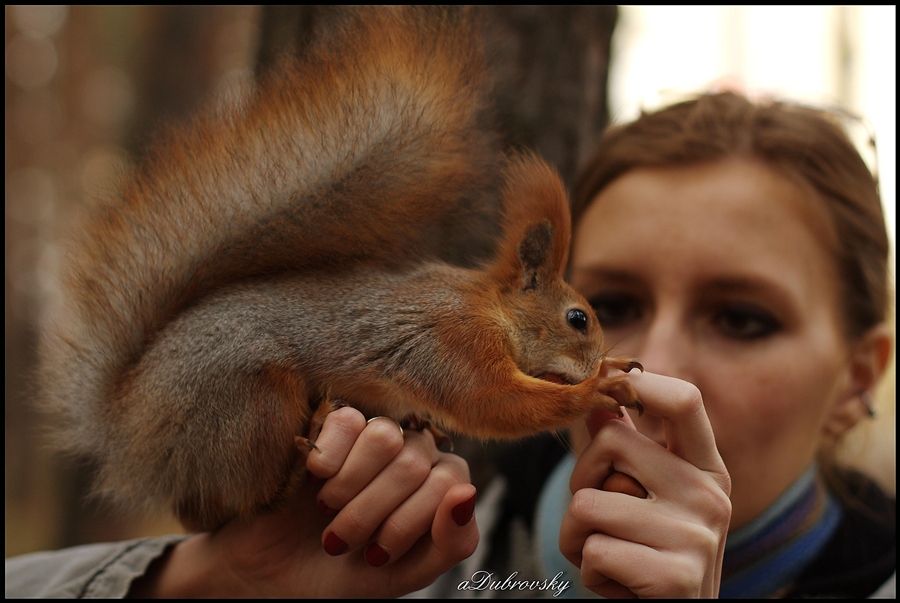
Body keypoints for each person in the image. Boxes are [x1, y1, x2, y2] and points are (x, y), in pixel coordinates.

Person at [6, 91, 894, 598]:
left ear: (861, 377)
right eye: (612, 303)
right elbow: (485, 400)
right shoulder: (420, 556)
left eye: (743, 318)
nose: (656, 357)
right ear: (530, 276)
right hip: (222, 383)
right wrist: (220, 579)